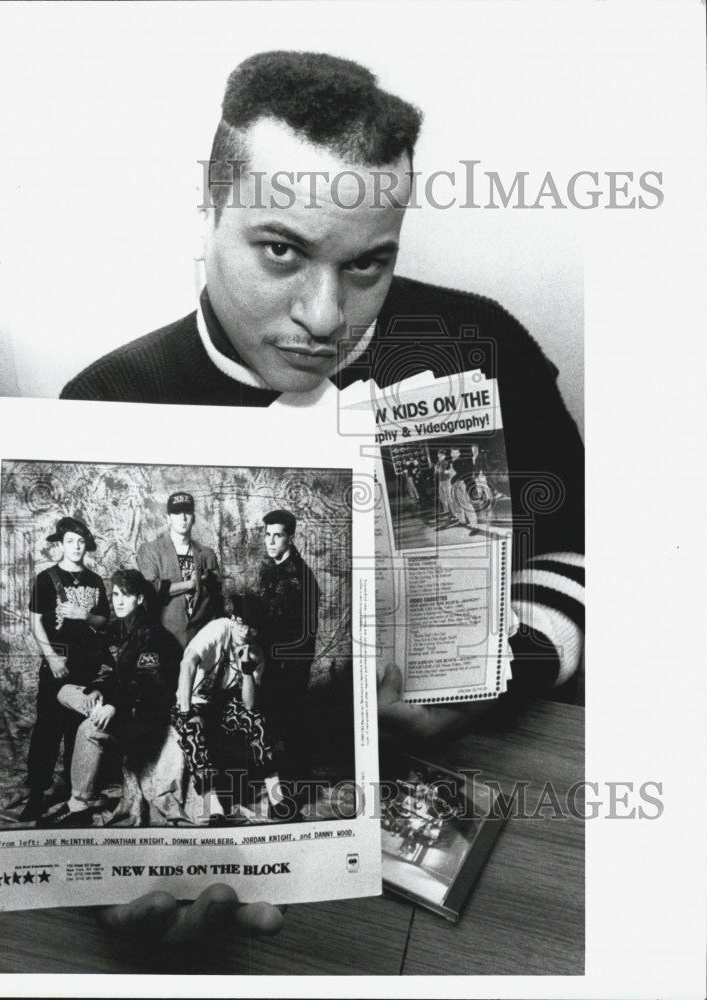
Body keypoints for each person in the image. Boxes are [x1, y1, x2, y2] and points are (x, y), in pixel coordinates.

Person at [60, 48, 584, 941]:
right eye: (281, 251)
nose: (324, 315)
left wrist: (505, 666)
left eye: (367, 265)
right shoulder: (103, 404)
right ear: (211, 206)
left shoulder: (475, 343)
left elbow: (590, 546)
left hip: (496, 813)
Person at [40, 568, 176, 828]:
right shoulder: (116, 629)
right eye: (115, 595)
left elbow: (148, 684)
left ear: (139, 599)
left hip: (142, 715)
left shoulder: (152, 634)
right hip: (120, 704)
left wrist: (114, 705)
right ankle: (100, 714)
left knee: (88, 728)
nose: (120, 601)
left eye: (126, 595)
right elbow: (107, 670)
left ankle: (79, 804)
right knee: (64, 692)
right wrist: (99, 690)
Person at [169, 593, 293, 825]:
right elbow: (188, 662)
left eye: (253, 629)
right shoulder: (219, 629)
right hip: (192, 701)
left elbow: (249, 704)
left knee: (256, 718)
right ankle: (213, 807)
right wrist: (187, 713)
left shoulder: (256, 653)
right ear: (233, 619)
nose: (246, 632)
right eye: (242, 624)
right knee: (193, 732)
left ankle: (277, 801)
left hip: (222, 705)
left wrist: (246, 670)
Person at [20, 516, 110, 822]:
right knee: (47, 729)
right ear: (61, 544)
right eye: (70, 541)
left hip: (88, 666)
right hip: (57, 664)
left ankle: (77, 797)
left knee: (78, 732)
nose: (76, 547)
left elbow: (103, 622)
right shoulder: (46, 579)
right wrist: (52, 657)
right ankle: (36, 793)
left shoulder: (96, 581)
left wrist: (83, 613)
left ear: (87, 546)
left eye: (81, 542)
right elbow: (34, 622)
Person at [256, 509, 319, 780]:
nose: (270, 542)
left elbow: (306, 632)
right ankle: (282, 785)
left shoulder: (301, 578)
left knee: (290, 726)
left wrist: (287, 664)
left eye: (277, 536)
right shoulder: (272, 571)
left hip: (290, 664)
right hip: (272, 660)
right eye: (267, 535)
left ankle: (294, 788)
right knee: (273, 725)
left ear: (290, 538)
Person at [137, 490, 223, 661]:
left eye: (187, 512)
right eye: (177, 513)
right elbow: (150, 590)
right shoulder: (151, 550)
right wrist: (190, 584)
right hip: (164, 639)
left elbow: (216, 599)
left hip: (200, 640)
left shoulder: (208, 554)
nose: (183, 518)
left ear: (194, 517)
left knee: (200, 687)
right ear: (168, 518)